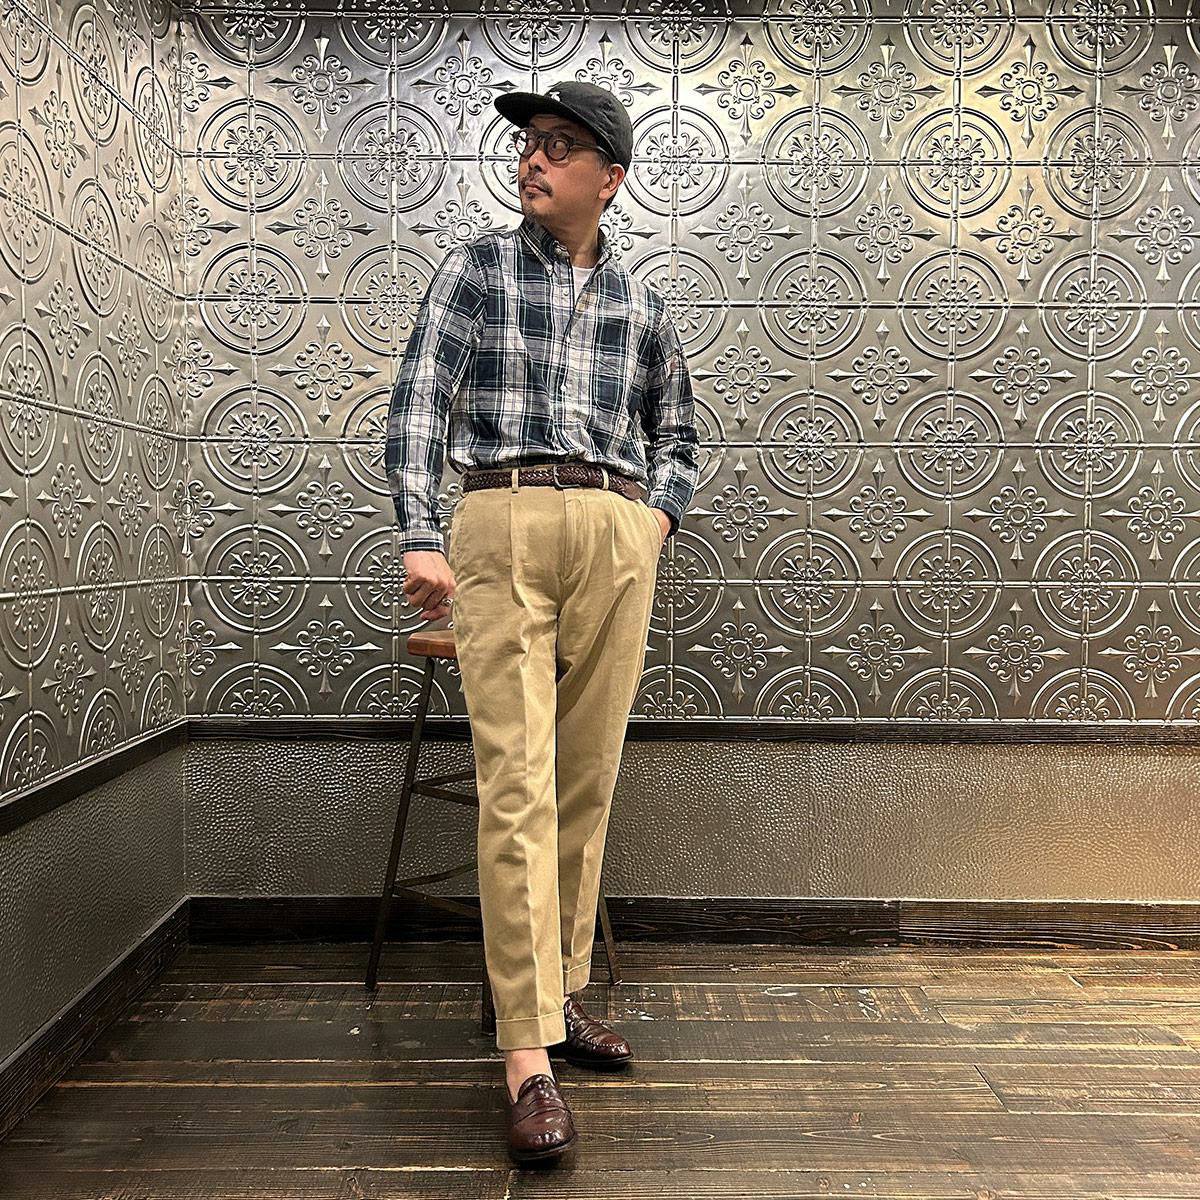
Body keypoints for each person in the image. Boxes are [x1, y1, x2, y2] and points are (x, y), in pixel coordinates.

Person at [385, 80, 699, 1165]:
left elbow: (678, 435)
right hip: (502, 517)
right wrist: (420, 531)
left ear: (610, 178)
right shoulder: (475, 269)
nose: (534, 160)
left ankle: (560, 996)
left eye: (562, 147)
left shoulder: (642, 302)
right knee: (516, 782)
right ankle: (525, 1055)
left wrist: (654, 521)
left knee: (586, 778)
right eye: (530, 144)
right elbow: (419, 400)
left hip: (613, 529)